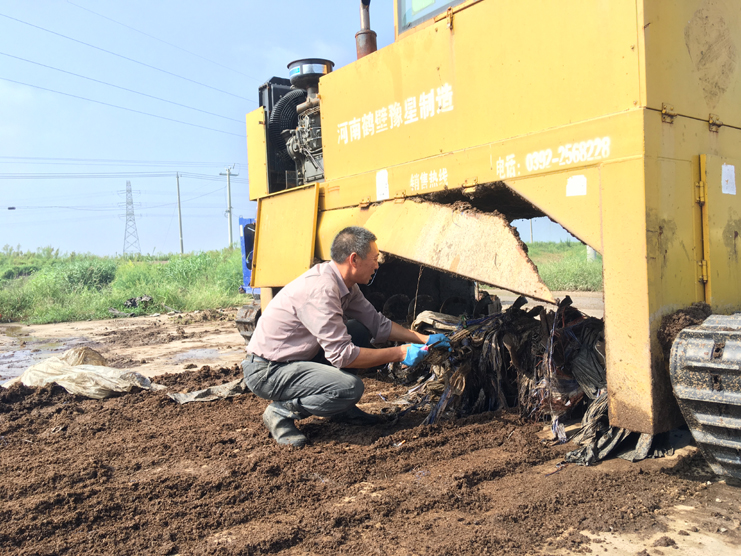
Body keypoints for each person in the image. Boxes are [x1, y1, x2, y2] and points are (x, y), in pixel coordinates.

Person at [242, 226, 448, 447]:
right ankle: (281, 412)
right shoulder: (322, 289)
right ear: (354, 259)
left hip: (295, 359)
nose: (377, 265)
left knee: (356, 330)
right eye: (374, 259)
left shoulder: (345, 285)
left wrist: (424, 339)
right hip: (268, 370)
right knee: (349, 388)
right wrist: (399, 353)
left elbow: (378, 324)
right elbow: (343, 356)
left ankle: (341, 410)